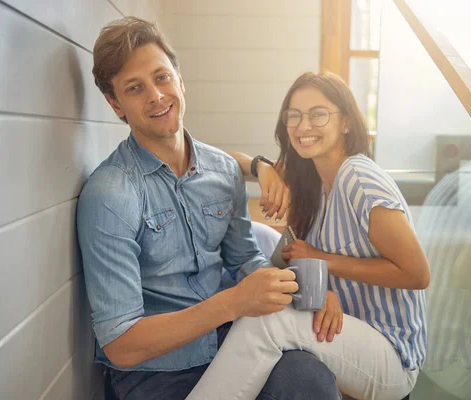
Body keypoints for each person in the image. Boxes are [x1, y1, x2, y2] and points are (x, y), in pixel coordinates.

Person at [76, 17, 343, 400]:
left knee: (311, 380)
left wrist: (304, 292)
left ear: (180, 81)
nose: (155, 96)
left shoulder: (223, 170)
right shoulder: (109, 195)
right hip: (156, 375)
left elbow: (245, 259)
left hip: (234, 342)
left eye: (162, 78)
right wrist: (234, 301)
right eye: (135, 88)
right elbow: (121, 343)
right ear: (115, 104)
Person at [187, 72, 430, 400]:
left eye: (318, 114)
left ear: (345, 122)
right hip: (343, 326)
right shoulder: (310, 173)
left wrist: (324, 261)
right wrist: (263, 168)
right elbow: (221, 163)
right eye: (294, 116)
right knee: (260, 236)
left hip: (390, 352)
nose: (304, 126)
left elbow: (417, 274)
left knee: (268, 321)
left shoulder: (358, 179)